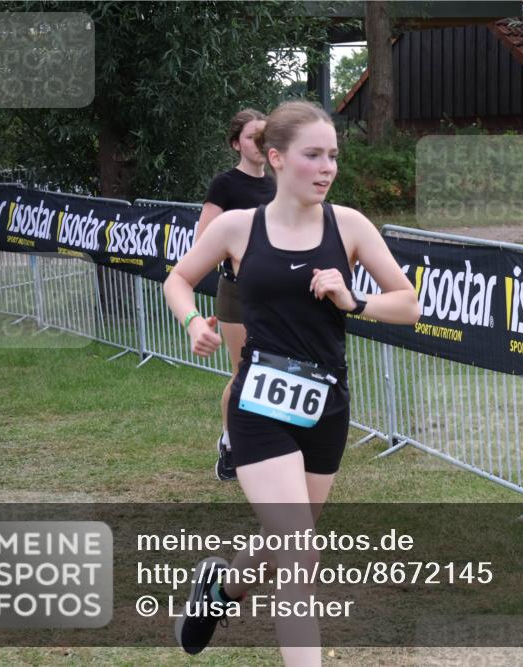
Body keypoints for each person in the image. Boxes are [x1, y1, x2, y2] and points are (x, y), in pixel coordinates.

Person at [163, 100, 419, 664]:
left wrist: (357, 300)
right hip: (259, 406)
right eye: (312, 155)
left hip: (326, 407)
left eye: (332, 155)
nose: (326, 167)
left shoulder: (349, 225)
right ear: (276, 158)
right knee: (299, 552)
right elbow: (179, 279)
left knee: (286, 544)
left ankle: (221, 590)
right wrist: (191, 323)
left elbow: (410, 305)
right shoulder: (238, 226)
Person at [196, 108, 275, 482]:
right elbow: (204, 243)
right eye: (250, 136)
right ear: (235, 144)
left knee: (276, 368)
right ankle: (230, 443)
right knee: (244, 372)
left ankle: (272, 444)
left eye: (264, 135)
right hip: (238, 292)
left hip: (279, 292)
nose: (258, 143)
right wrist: (241, 253)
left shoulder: (280, 184)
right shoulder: (225, 184)